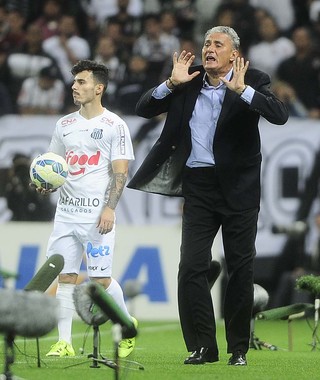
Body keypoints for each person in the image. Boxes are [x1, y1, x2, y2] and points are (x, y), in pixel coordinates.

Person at [127, 26, 288, 366]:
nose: (209, 48)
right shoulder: (188, 79)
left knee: (241, 268)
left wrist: (243, 91)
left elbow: (279, 115)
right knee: (191, 266)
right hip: (199, 185)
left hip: (240, 187)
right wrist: (171, 83)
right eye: (206, 43)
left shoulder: (253, 78)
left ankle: (238, 348)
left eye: (218, 44)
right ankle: (203, 346)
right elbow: (143, 109)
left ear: (234, 54)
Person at [36, 59, 137, 358]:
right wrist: (46, 184)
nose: (75, 87)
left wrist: (110, 208)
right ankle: (64, 342)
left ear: (99, 88)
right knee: (65, 277)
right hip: (66, 214)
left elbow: (120, 172)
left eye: (81, 82)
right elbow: (54, 167)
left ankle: (127, 321)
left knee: (100, 281)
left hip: (96, 216)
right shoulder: (64, 125)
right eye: (75, 82)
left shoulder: (114, 125)